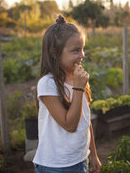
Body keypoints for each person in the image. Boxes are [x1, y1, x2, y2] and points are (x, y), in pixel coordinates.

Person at [33, 15, 101, 173]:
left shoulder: (78, 79)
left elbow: (85, 119)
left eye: (82, 49)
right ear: (55, 53)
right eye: (76, 50)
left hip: (80, 160)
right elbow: (69, 125)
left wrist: (93, 155)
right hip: (56, 166)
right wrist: (78, 88)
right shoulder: (47, 84)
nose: (82, 55)